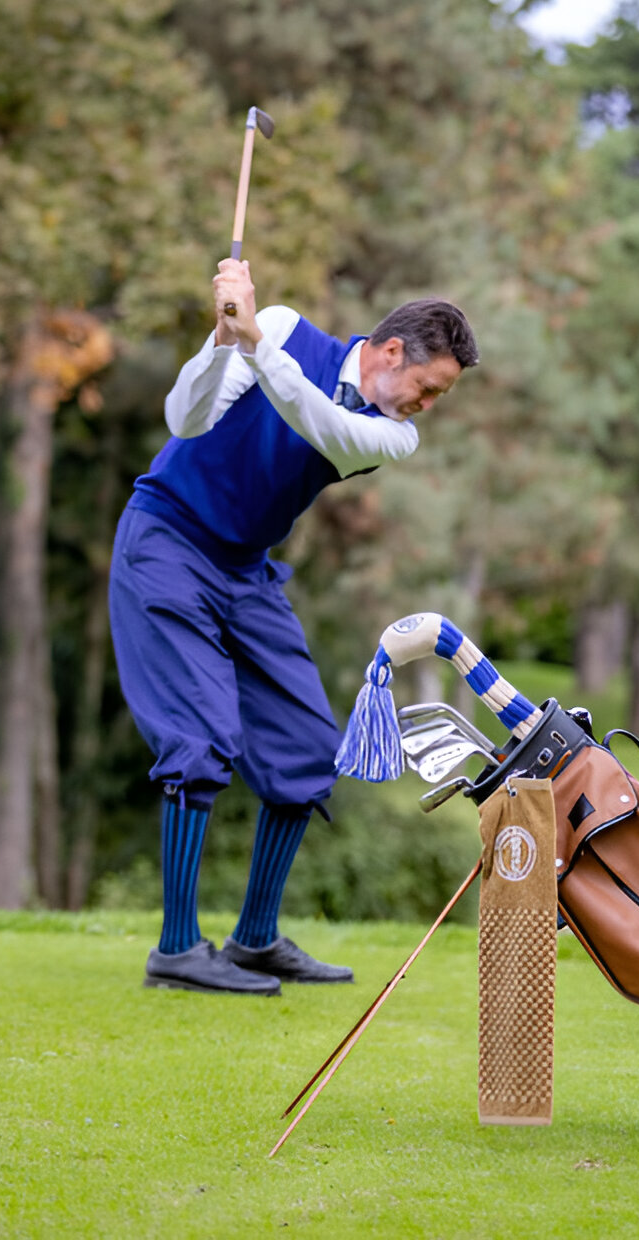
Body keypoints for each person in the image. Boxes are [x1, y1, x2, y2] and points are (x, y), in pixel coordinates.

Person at [109, 258, 477, 994]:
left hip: (245, 569)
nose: (426, 406)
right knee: (200, 737)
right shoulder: (278, 327)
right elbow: (184, 419)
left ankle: (253, 940)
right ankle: (177, 950)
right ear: (392, 352)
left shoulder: (388, 434)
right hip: (167, 542)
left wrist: (254, 348)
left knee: (309, 748)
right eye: (428, 389)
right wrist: (223, 342)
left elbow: (320, 423)